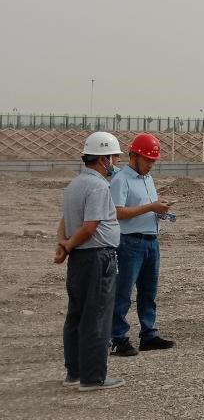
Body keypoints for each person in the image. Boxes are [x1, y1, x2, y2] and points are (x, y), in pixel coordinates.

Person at [55, 132, 125, 390]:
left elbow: (66, 221)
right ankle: (93, 376)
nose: (116, 163)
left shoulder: (75, 184)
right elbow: (90, 226)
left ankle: (74, 372)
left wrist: (64, 244)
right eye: (114, 157)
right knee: (97, 315)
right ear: (103, 159)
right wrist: (69, 244)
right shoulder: (98, 187)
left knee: (76, 314)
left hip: (80, 258)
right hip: (97, 256)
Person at [109, 133, 175, 357]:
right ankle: (118, 338)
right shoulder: (121, 180)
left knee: (148, 291)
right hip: (130, 243)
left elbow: (146, 207)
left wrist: (160, 211)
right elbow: (117, 212)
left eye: (153, 161)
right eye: (148, 160)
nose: (150, 165)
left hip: (150, 241)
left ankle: (149, 334)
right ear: (134, 156)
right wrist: (150, 208)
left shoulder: (147, 179)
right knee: (123, 292)